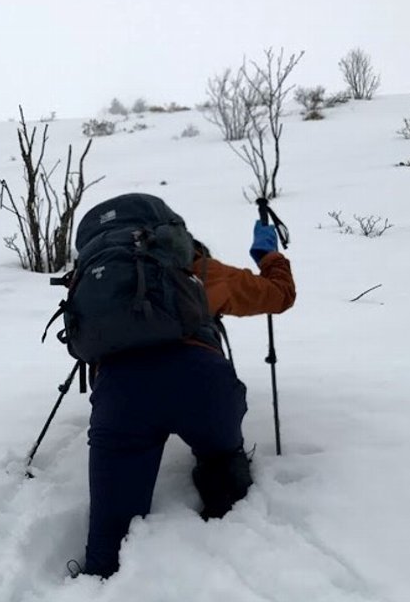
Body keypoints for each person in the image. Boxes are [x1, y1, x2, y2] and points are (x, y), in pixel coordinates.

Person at [80, 206, 296, 578]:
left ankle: (94, 594)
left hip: (122, 394)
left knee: (110, 532)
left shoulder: (100, 279)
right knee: (223, 464)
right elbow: (281, 295)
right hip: (203, 381)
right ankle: (235, 565)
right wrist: (268, 254)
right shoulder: (200, 269)